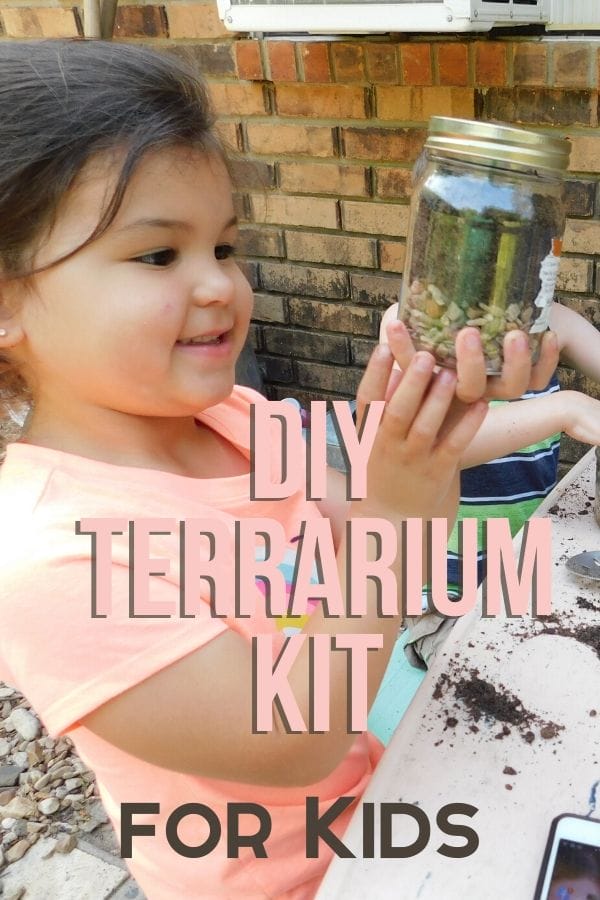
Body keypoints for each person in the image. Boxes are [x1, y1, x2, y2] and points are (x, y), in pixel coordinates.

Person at [0, 40, 561, 899]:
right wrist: (398, 518)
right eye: (159, 255)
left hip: (382, 811)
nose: (221, 286)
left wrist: (424, 432)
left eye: (223, 247)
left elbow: (352, 513)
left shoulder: (235, 417)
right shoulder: (52, 557)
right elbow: (293, 738)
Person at [378, 301, 600, 669]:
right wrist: (567, 409)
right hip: (448, 600)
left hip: (528, 578)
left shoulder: (551, 322)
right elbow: (436, 444)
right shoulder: (413, 323)